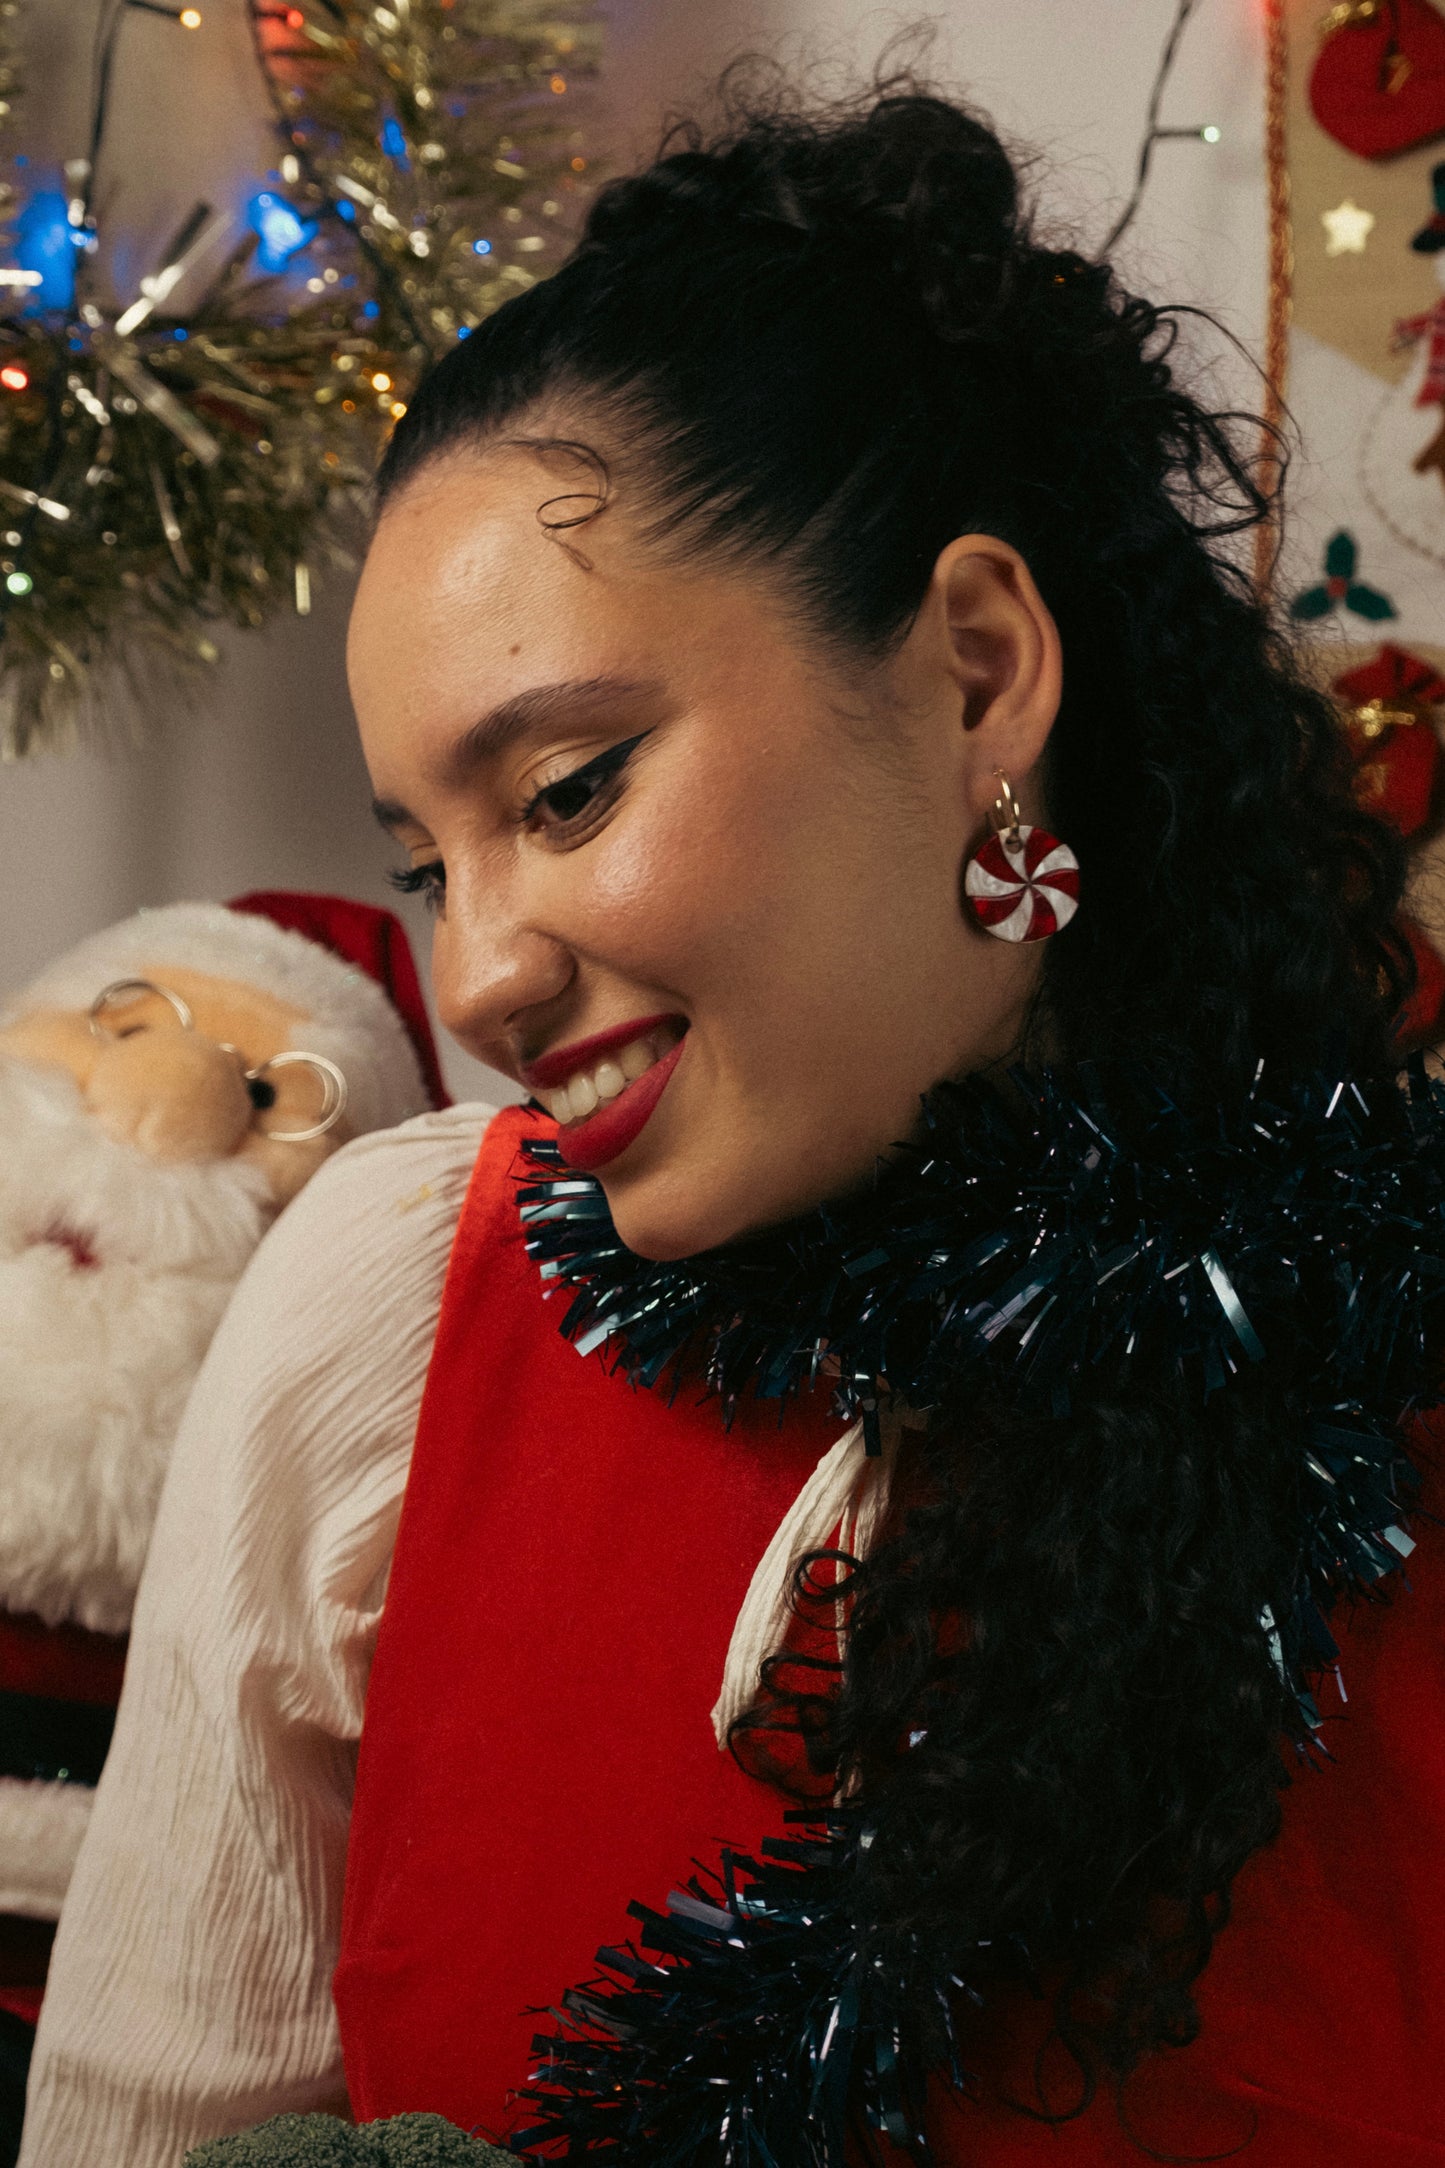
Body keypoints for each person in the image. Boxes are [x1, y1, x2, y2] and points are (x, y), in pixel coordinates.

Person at [19, 74, 1445, 2168]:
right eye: (430, 863)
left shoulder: (1383, 1377)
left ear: (973, 670)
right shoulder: (389, 1316)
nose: (482, 974)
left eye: (570, 787)